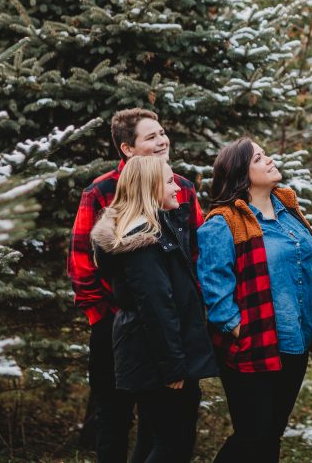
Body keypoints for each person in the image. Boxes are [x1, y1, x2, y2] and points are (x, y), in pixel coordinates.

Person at [68, 108, 204, 463]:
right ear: (128, 149)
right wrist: (104, 316)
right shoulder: (101, 190)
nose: (162, 141)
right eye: (151, 136)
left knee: (159, 419)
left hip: (166, 321)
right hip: (118, 319)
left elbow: (196, 254)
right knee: (112, 413)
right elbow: (82, 260)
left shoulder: (182, 189)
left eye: (162, 133)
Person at [197, 138, 312, 462]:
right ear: (242, 173)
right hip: (253, 345)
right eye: (259, 158)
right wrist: (240, 329)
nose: (270, 160)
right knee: (252, 435)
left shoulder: (289, 211)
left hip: (294, 342)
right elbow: (214, 287)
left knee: (272, 433)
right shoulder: (223, 222)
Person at [90, 156, 218, 463]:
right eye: (170, 181)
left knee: (154, 438)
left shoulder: (158, 228)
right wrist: (173, 366)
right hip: (157, 358)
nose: (178, 188)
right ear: (150, 188)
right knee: (172, 444)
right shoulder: (143, 241)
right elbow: (157, 307)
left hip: (156, 354)